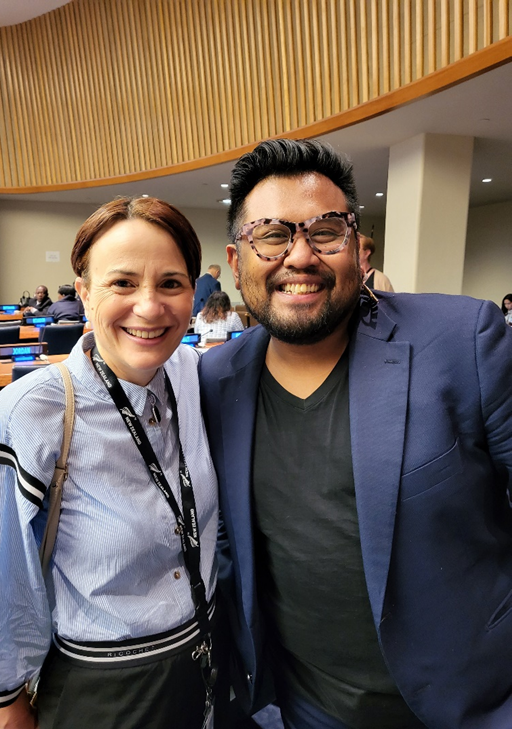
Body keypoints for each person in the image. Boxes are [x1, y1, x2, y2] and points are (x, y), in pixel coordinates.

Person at [198, 138, 512, 729]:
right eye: (271, 234)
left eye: (324, 232)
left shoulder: (463, 341)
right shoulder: (216, 379)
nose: (300, 256)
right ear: (236, 264)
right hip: (301, 709)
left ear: (357, 249)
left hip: (471, 704)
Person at [0, 197, 220, 729]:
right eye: (122, 283)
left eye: (171, 283)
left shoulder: (195, 377)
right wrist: (6, 707)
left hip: (206, 665)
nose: (149, 307)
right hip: (104, 688)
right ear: (83, 292)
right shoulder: (32, 410)